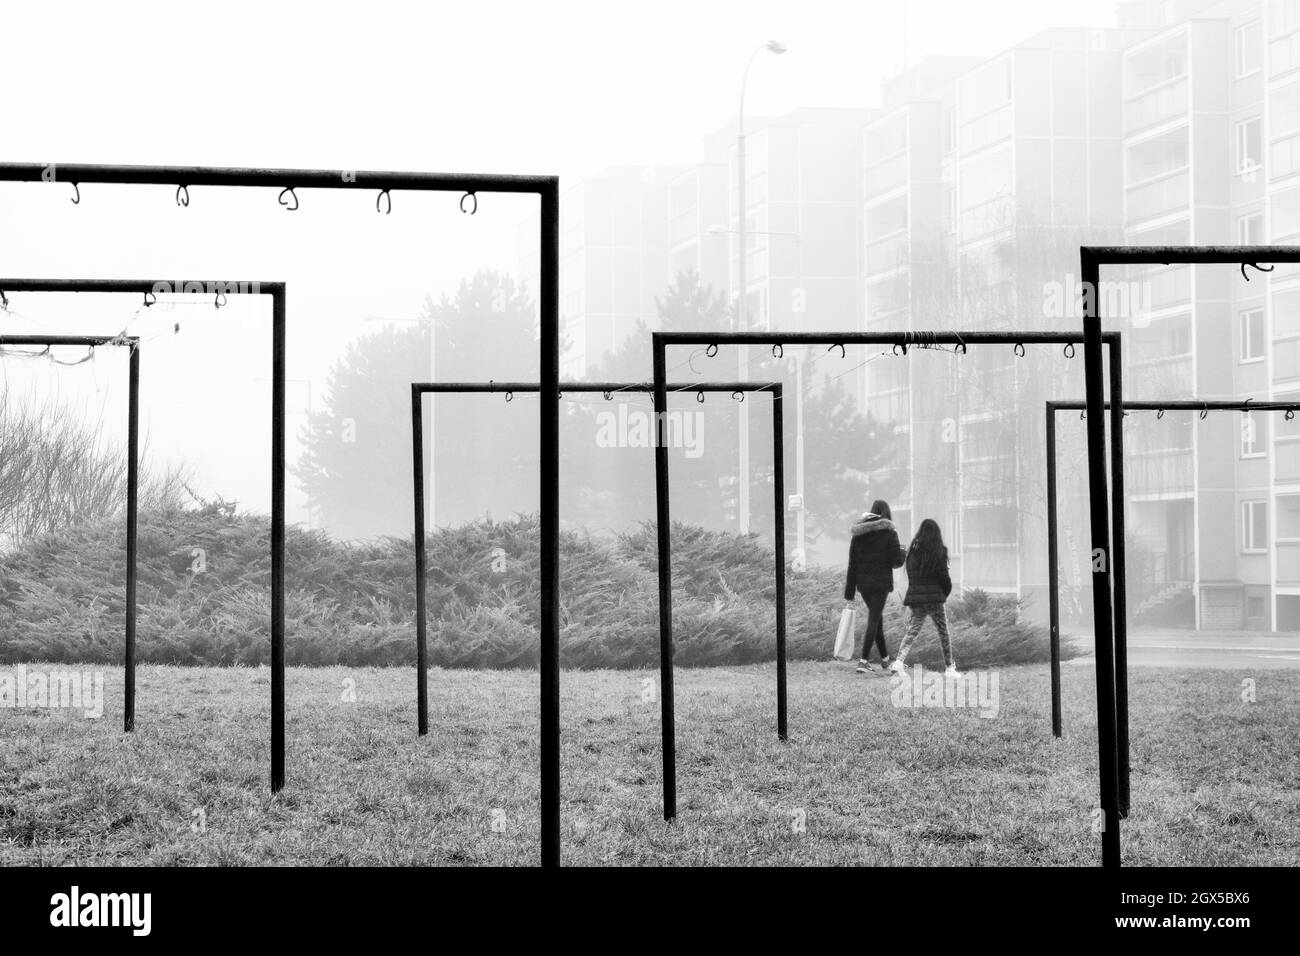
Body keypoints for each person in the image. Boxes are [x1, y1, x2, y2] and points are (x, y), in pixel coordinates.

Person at [843, 499, 905, 674]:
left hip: (863, 585)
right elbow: (896, 561)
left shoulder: (859, 533)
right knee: (874, 618)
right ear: (886, 514)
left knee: (876, 618)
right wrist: (903, 552)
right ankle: (863, 661)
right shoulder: (889, 533)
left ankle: (885, 659)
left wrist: (850, 592)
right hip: (881, 584)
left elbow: (852, 564)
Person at [891, 517, 958, 677]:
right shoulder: (940, 551)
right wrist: (944, 593)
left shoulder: (913, 552)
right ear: (937, 533)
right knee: (943, 632)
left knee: (913, 630)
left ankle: (898, 662)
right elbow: (945, 578)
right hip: (935, 598)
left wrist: (916, 592)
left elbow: (911, 577)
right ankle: (949, 668)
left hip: (917, 598)